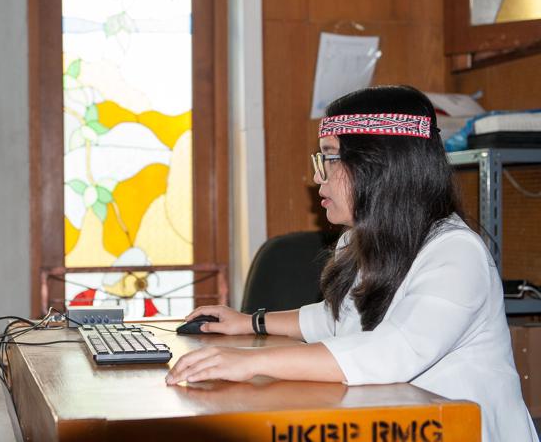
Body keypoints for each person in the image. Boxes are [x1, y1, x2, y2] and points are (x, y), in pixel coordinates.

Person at [165, 85, 539, 442]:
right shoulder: (361, 239)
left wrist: (251, 362)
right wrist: (249, 322)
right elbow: (339, 319)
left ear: (378, 163)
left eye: (328, 156)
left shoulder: (457, 253)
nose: (317, 176)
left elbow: (393, 351)